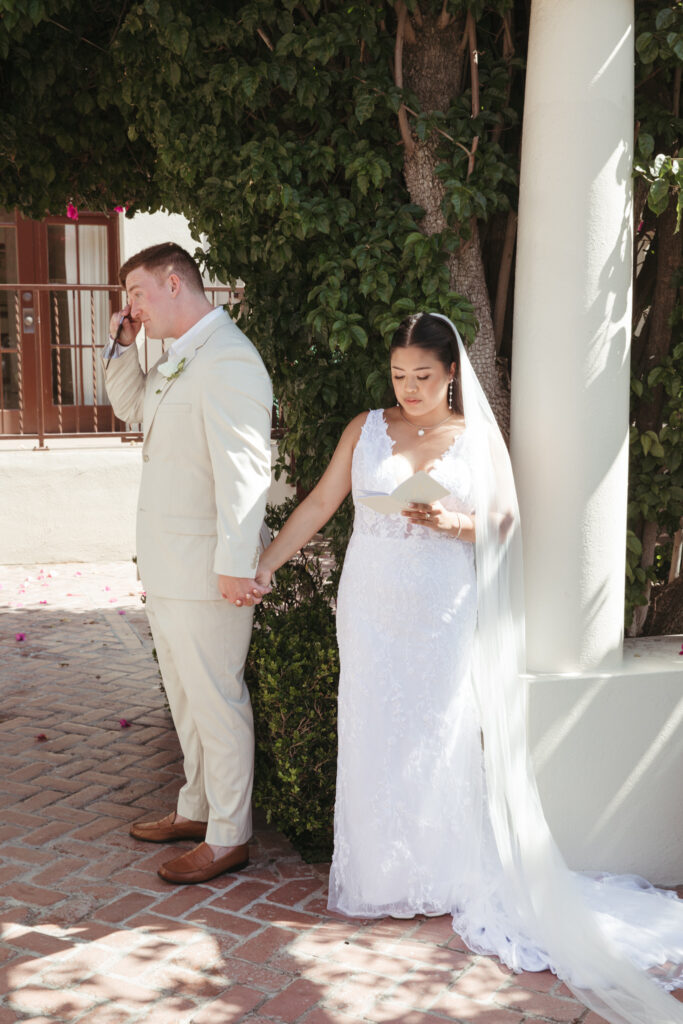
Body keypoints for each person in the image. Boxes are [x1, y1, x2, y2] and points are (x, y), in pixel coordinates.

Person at [256, 312, 683, 1024]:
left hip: (442, 604)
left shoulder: (474, 437)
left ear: (451, 373)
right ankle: (382, 876)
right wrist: (266, 564)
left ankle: (445, 871)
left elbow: (507, 521)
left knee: (439, 728)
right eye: (398, 375)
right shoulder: (363, 429)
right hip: (370, 600)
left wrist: (454, 525)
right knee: (374, 726)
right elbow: (324, 502)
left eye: (422, 376)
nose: (410, 388)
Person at [103, 242, 272, 885]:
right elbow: (134, 411)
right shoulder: (180, 356)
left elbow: (245, 472)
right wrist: (123, 347)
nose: (132, 306)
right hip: (171, 566)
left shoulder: (228, 358)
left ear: (174, 283)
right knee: (185, 698)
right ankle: (198, 809)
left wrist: (236, 562)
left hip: (209, 571)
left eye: (138, 294)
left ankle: (230, 835)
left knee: (216, 698)